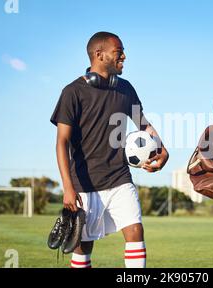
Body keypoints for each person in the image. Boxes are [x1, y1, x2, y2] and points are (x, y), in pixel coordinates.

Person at [50, 32, 169, 268]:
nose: (124, 56)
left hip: (120, 177)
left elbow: (142, 123)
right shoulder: (72, 92)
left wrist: (162, 148)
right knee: (83, 247)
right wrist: (67, 187)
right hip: (85, 183)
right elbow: (61, 142)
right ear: (99, 54)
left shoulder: (125, 89)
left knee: (135, 232)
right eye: (118, 52)